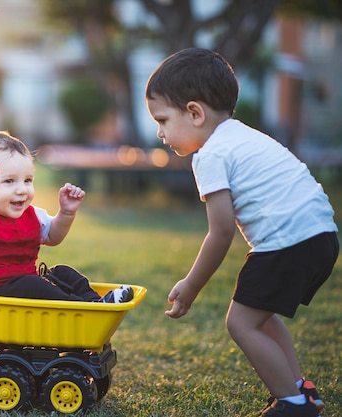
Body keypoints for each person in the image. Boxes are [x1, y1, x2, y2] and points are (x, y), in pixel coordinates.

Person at [145, 48, 338, 417]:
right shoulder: (244, 135)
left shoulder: (211, 154)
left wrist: (191, 285)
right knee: (260, 316)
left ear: (194, 113)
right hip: (321, 234)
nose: (159, 132)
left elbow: (220, 234)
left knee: (241, 322)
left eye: (163, 120)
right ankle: (299, 390)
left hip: (288, 242)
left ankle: (294, 405)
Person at [0, 130, 133, 303]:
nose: (22, 190)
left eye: (27, 180)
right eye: (8, 181)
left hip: (24, 286)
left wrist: (66, 213)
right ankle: (81, 310)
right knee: (32, 285)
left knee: (63, 273)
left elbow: (53, 236)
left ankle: (95, 302)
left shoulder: (32, 215)